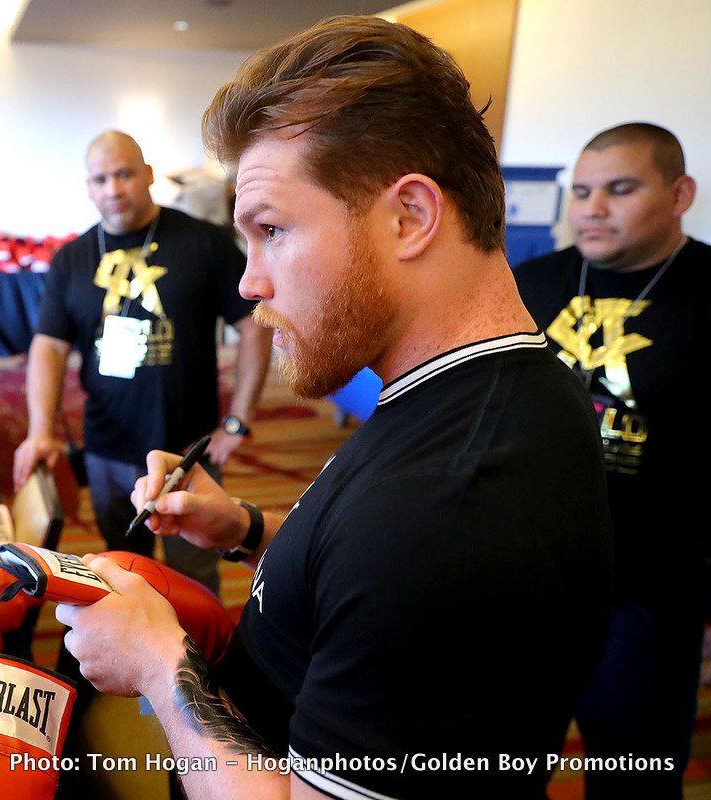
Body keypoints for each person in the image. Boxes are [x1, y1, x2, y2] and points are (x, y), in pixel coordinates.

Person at [56, 15, 614, 800]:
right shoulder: (476, 395)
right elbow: (369, 576)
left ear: (409, 217)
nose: (249, 283)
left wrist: (160, 668)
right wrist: (246, 530)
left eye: (273, 230)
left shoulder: (454, 500)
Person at [514, 122, 706, 800]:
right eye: (583, 191)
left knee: (635, 776)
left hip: (648, 593)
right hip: (518, 582)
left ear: (680, 193)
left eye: (620, 189)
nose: (592, 207)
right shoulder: (529, 284)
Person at [13, 129, 272, 595]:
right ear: (88, 188)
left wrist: (238, 420)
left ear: (148, 175)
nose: (114, 189)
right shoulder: (72, 258)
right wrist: (40, 430)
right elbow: (48, 347)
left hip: (188, 448)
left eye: (125, 174)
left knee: (192, 571)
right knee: (121, 563)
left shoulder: (201, 242)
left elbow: (255, 324)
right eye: (101, 179)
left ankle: (199, 661)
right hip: (107, 444)